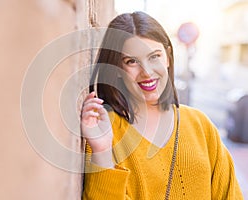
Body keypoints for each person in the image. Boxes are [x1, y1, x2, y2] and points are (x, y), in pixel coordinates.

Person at [80, 11, 243, 199]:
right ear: (116, 69)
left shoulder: (200, 124)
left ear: (167, 56)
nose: (147, 72)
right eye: (131, 61)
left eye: (154, 56)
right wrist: (102, 150)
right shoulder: (105, 131)